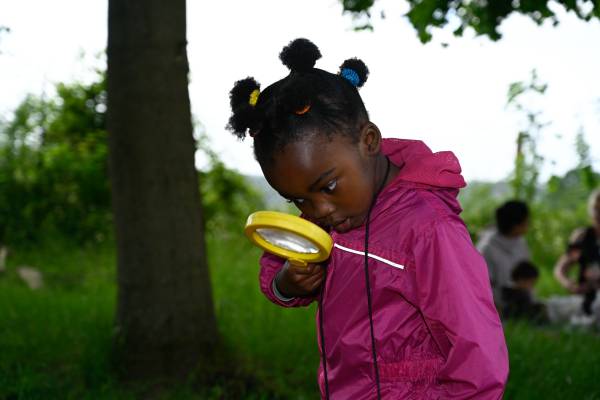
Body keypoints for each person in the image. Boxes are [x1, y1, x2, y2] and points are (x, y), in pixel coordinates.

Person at [227, 38, 508, 399]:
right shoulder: (333, 212)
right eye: (297, 199)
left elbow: (478, 354)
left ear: (369, 141)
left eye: (327, 186)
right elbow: (278, 264)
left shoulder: (426, 229)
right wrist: (288, 283)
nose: (318, 211)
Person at [554, 189, 600, 316]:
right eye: (596, 208)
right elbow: (561, 267)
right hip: (586, 295)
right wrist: (569, 284)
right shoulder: (582, 236)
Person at [476, 200, 530, 308]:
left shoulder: (521, 242)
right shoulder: (487, 248)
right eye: (526, 221)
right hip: (496, 305)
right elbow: (481, 286)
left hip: (521, 299)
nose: (528, 224)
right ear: (516, 225)